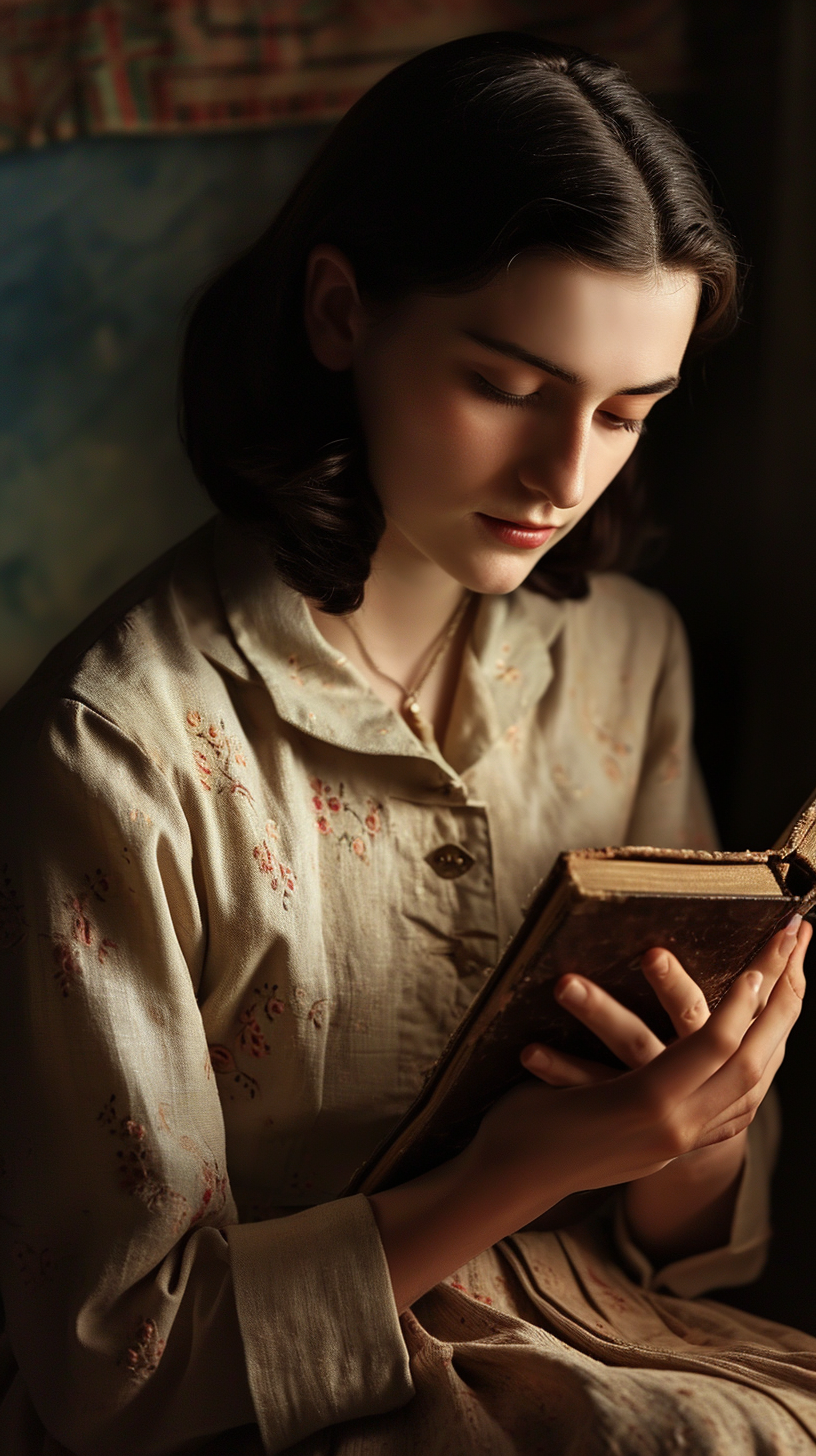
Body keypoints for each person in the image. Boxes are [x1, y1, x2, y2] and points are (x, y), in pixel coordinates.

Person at [1, 30, 815, 1456]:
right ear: (338, 313)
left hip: (630, 1359)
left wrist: (708, 1121)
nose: (567, 477)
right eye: (509, 385)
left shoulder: (632, 659)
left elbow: (690, 1251)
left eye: (627, 414)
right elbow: (115, 1373)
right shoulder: (114, 750)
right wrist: (514, 1176)